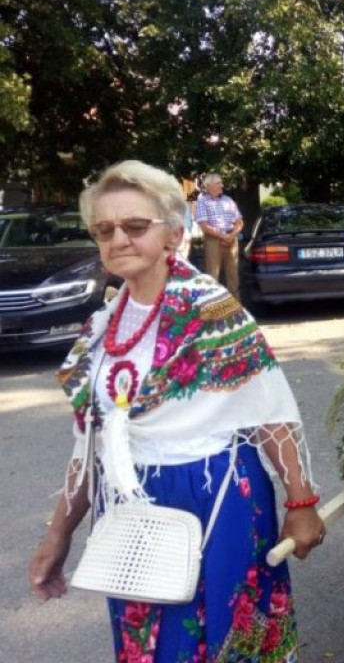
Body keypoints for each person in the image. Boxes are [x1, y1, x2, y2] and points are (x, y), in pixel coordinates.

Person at [28, 160, 325, 660]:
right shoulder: (101, 329)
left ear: (172, 234)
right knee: (153, 646)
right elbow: (92, 443)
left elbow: (269, 410)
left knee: (230, 643)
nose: (118, 238)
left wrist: (300, 504)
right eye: (104, 230)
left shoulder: (213, 312)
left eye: (135, 226)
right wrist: (60, 533)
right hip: (129, 509)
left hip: (215, 495)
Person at [195, 172, 244, 298]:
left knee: (233, 277)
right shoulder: (202, 201)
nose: (222, 185)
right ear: (208, 186)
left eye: (221, 183)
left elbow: (239, 222)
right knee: (213, 277)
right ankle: (214, 313)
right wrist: (223, 237)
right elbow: (204, 226)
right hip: (213, 241)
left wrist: (232, 235)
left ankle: (235, 312)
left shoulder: (228, 200)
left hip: (231, 239)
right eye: (218, 183)